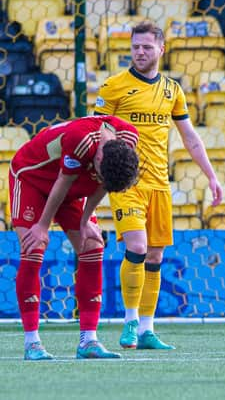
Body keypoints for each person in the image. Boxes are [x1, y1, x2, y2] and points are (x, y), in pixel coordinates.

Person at [93, 21, 224, 350]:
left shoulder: (173, 90)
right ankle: (130, 321)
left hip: (159, 183)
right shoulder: (114, 87)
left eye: (146, 47)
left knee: (155, 254)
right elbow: (97, 130)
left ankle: (147, 330)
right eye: (135, 46)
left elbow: (190, 138)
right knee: (136, 247)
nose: (139, 52)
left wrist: (211, 175)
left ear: (161, 50)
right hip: (126, 182)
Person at [10, 115, 140, 360]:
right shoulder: (82, 139)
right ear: (98, 157)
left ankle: (89, 341)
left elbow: (104, 183)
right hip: (32, 179)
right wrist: (42, 225)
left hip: (71, 187)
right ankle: (32, 343)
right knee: (34, 245)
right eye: (100, 173)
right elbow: (63, 179)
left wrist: (85, 221)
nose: (101, 178)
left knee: (92, 245)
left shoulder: (126, 140)